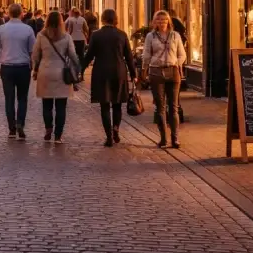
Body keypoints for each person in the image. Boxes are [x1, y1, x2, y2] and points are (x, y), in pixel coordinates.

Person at [81, 8, 136, 148]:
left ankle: (109, 136)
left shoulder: (96, 35)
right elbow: (129, 57)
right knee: (117, 104)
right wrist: (134, 75)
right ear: (115, 19)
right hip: (119, 71)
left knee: (104, 105)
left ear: (103, 19)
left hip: (101, 72)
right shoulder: (122, 35)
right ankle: (116, 127)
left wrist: (80, 69)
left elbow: (90, 55)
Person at [31, 10, 80, 144]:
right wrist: (77, 70)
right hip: (61, 73)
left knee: (46, 104)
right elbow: (73, 56)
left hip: (45, 71)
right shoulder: (66, 37)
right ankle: (58, 135)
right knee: (61, 106)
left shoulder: (41, 35)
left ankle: (48, 128)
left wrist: (35, 68)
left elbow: (35, 55)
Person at [0, 3, 36, 140]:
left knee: (9, 98)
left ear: (8, 13)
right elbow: (32, 51)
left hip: (7, 67)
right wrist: (34, 67)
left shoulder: (1, 29)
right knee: (22, 98)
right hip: (23, 67)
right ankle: (20, 123)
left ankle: (11, 128)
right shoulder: (28, 29)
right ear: (21, 13)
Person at [143, 10, 187, 149]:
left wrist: (177, 63)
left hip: (173, 72)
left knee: (173, 107)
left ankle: (175, 139)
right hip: (156, 72)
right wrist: (144, 70)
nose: (162, 23)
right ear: (155, 22)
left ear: (169, 22)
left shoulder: (175, 36)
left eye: (164, 20)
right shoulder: (150, 36)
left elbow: (182, 54)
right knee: (160, 107)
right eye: (159, 20)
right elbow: (146, 54)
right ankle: (163, 139)